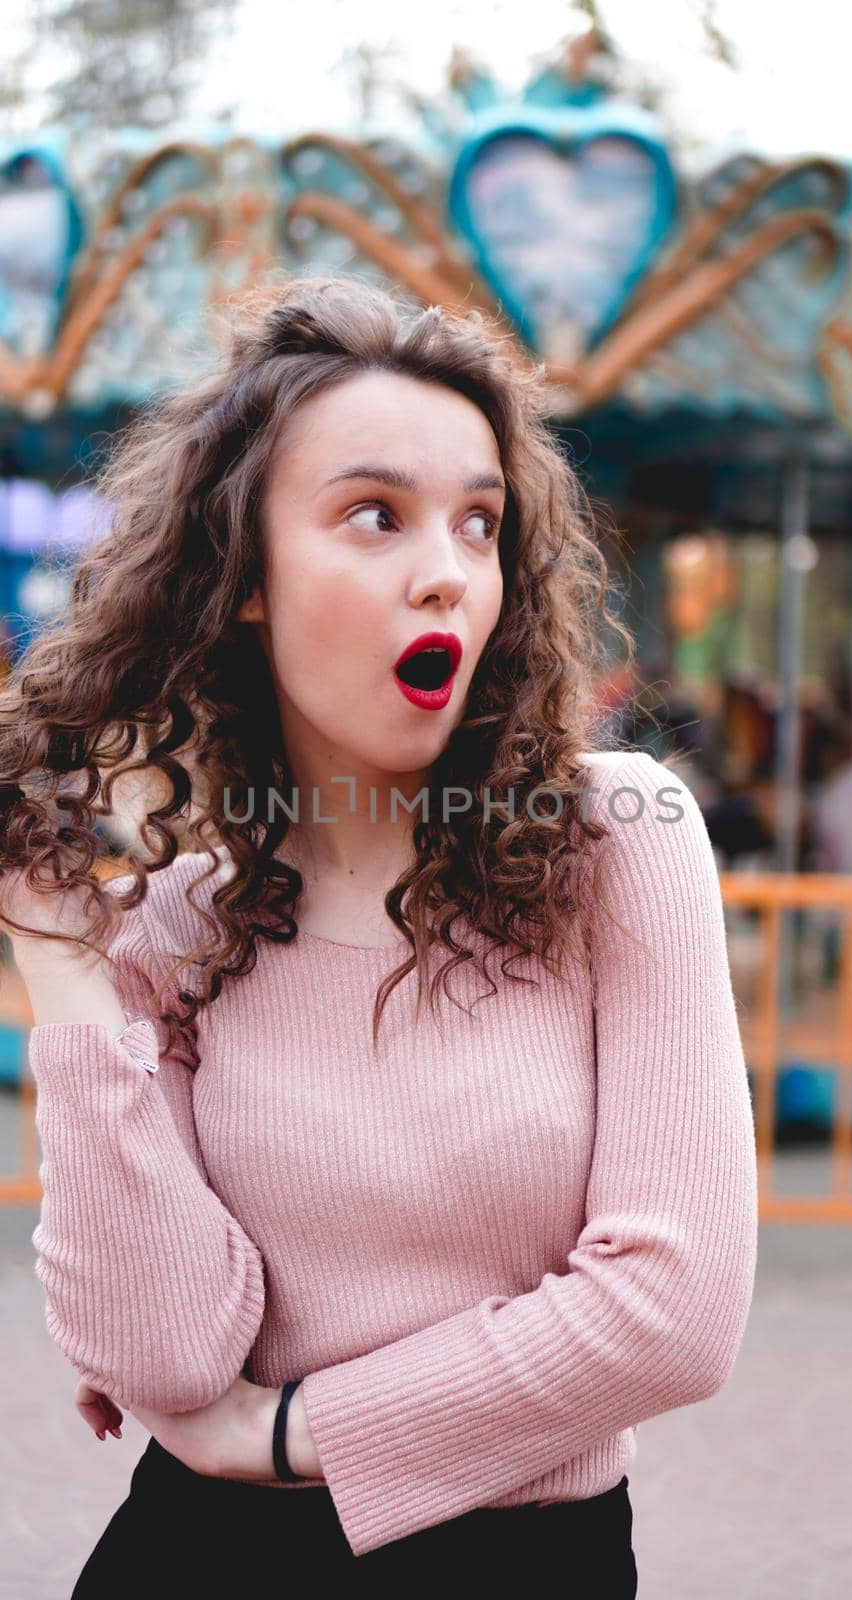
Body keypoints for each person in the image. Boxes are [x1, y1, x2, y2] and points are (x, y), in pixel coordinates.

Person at [0, 275, 758, 1594]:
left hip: (528, 1560)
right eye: (374, 515)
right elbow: (165, 1354)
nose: (447, 572)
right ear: (243, 576)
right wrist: (54, 953)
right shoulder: (180, 923)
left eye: (480, 523)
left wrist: (292, 1429)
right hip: (198, 1553)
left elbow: (671, 1315)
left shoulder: (617, 840)